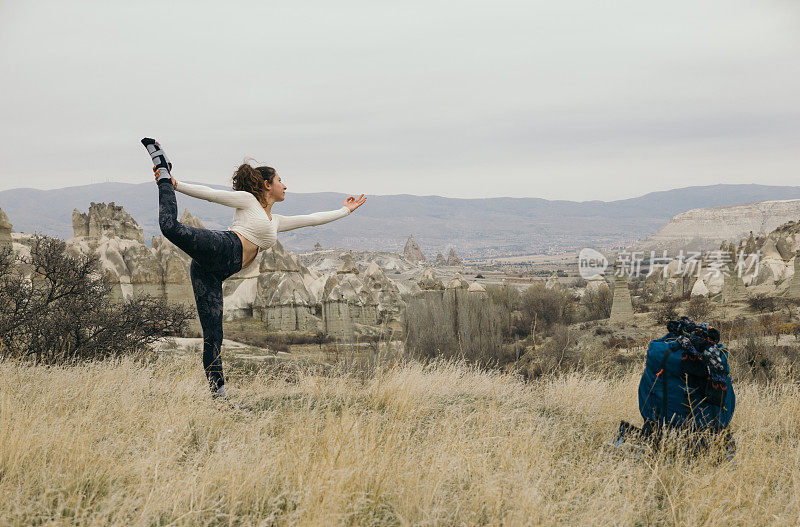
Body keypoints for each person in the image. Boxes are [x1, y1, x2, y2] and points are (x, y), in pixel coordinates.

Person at [141, 138, 366, 398]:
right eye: (280, 180)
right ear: (266, 185)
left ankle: (219, 396)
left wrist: (345, 210)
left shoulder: (276, 221)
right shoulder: (248, 201)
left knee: (214, 335)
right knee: (170, 227)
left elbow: (312, 220)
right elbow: (213, 195)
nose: (285, 185)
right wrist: (175, 184)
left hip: (212, 271)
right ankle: (163, 172)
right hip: (223, 247)